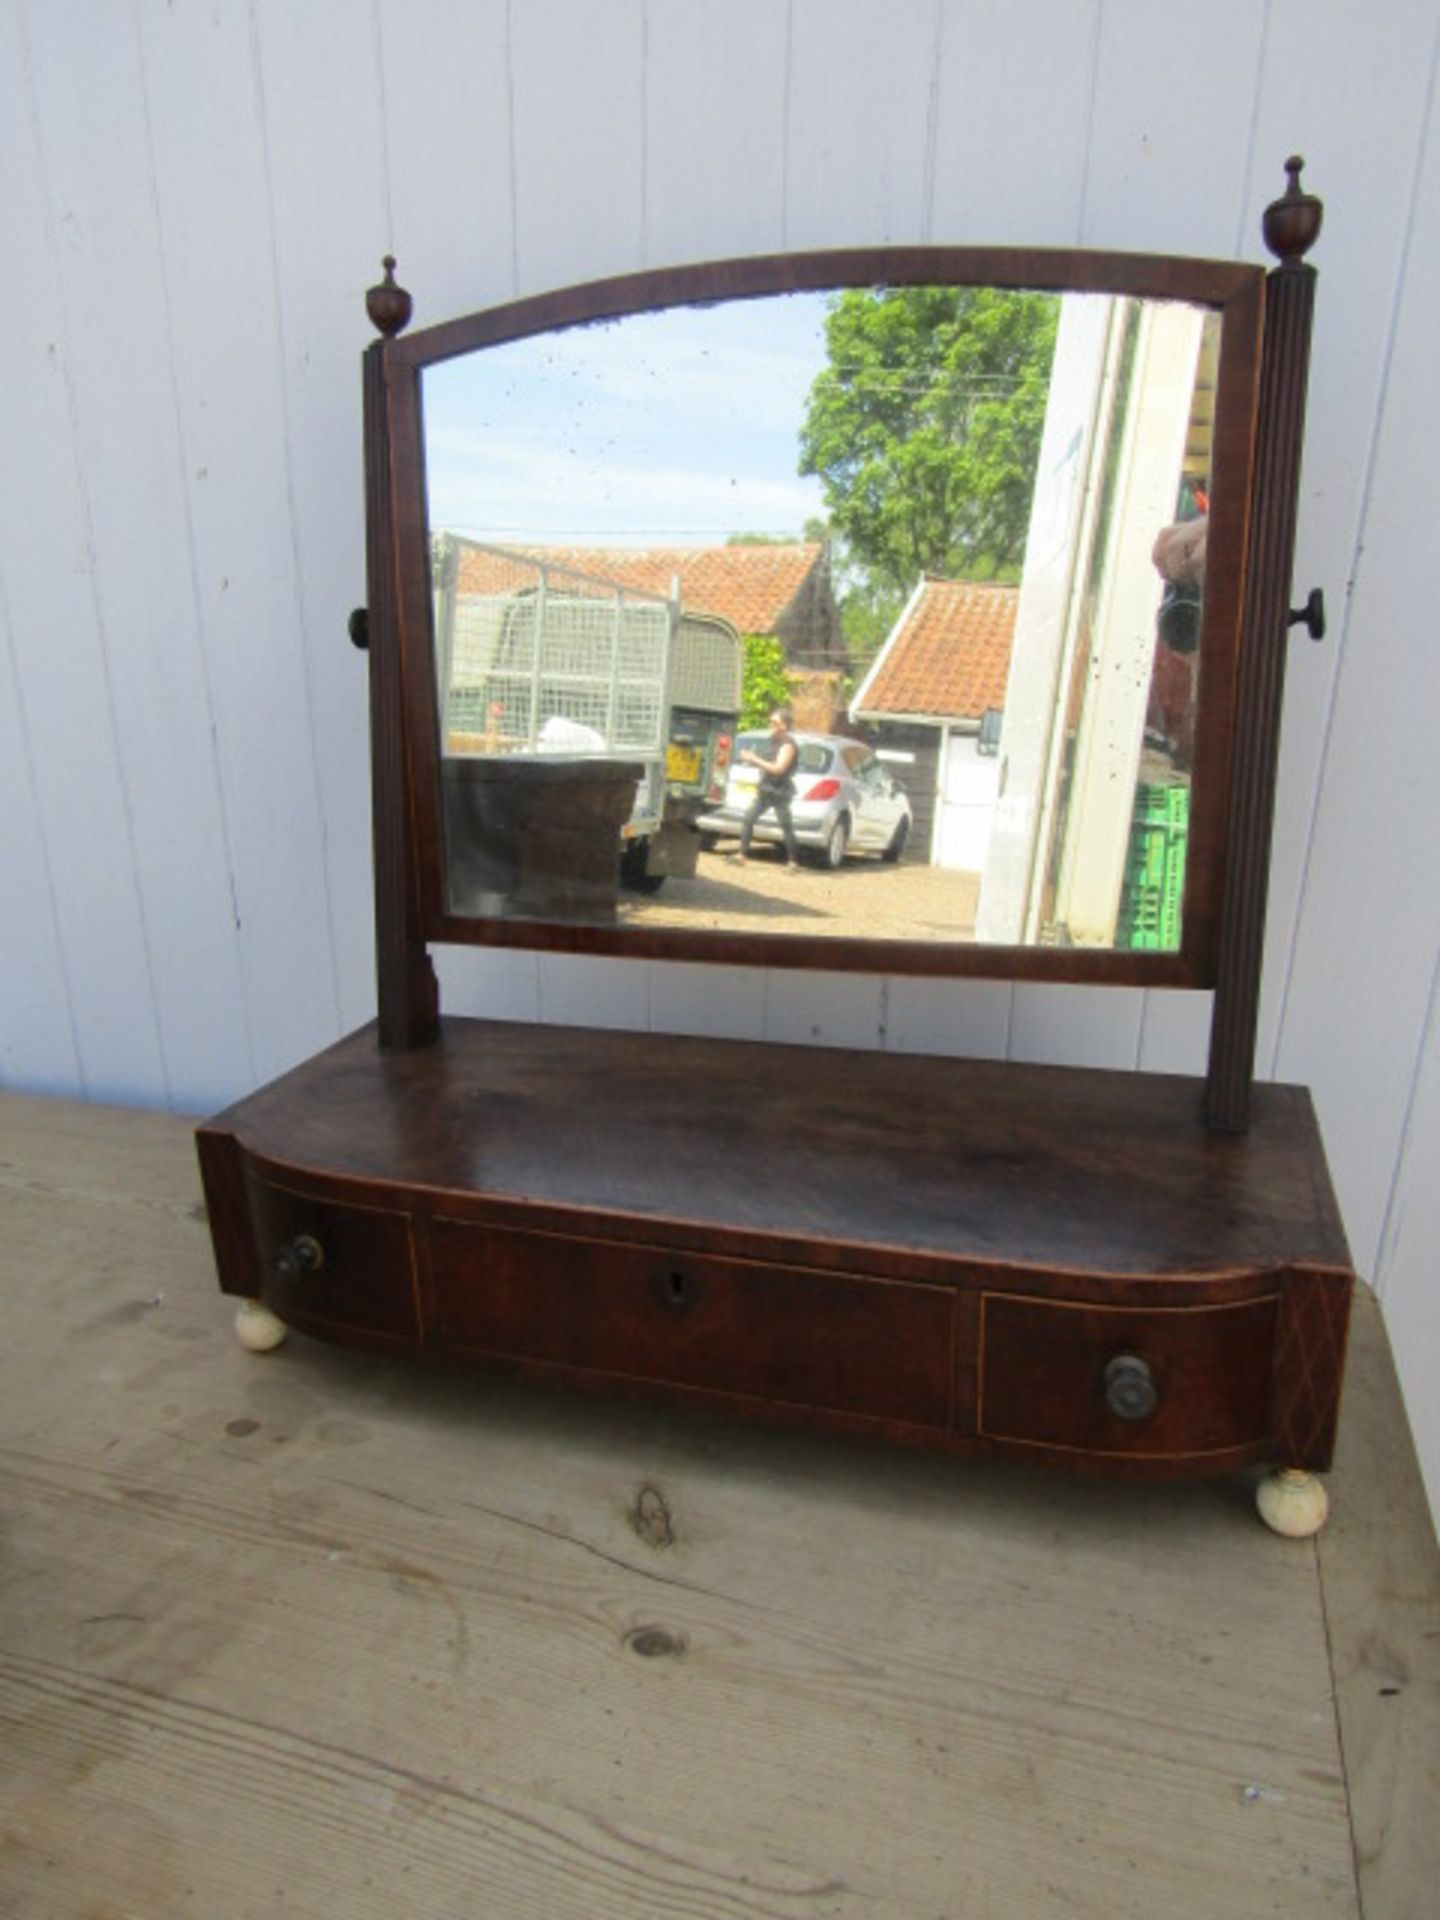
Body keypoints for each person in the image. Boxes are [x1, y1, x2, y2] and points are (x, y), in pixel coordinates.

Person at [736, 706, 800, 866]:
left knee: (786, 825)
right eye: (770, 722)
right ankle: (741, 855)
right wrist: (750, 758)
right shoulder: (774, 741)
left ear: (783, 726)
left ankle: (792, 861)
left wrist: (754, 759)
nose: (770, 725)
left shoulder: (788, 745)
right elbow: (766, 761)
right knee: (748, 818)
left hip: (780, 791)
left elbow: (779, 769)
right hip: (766, 788)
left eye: (774, 722)